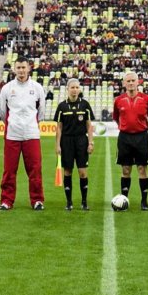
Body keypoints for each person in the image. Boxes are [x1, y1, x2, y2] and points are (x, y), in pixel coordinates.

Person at [0, 59, 48, 210]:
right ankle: (6, 200)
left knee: (35, 169)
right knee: (9, 170)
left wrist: (30, 124)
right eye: (18, 67)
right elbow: (2, 112)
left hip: (31, 134)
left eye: (23, 67)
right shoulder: (7, 88)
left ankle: (37, 200)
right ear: (14, 69)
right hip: (12, 135)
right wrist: (13, 124)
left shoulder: (37, 87)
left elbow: (41, 111)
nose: (21, 70)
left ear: (29, 68)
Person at [112, 71, 148, 210]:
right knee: (126, 169)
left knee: (142, 169)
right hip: (124, 138)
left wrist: (144, 129)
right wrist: (124, 127)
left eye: (133, 80)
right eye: (128, 81)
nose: (131, 83)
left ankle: (144, 201)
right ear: (124, 83)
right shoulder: (118, 100)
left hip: (141, 137)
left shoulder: (146, 99)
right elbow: (116, 117)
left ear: (138, 82)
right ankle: (124, 200)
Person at [54, 78, 96, 211]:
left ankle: (84, 202)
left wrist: (91, 142)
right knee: (68, 171)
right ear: (68, 89)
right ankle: (69, 202)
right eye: (72, 87)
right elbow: (59, 127)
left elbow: (89, 126)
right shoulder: (62, 106)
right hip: (66, 141)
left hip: (81, 141)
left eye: (77, 87)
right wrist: (57, 145)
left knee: (82, 172)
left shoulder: (85, 105)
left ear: (80, 89)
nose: (75, 90)